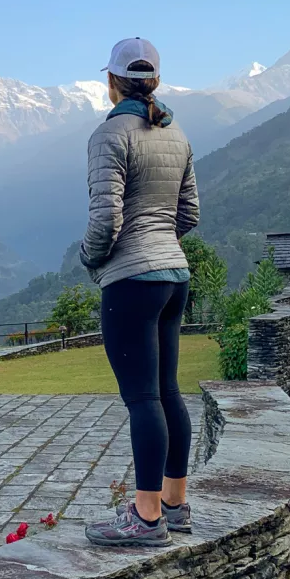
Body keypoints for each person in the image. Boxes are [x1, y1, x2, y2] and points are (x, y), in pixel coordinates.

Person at [81, 37, 199, 547]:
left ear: (111, 83)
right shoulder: (178, 137)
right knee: (169, 391)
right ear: (155, 82)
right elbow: (189, 216)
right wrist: (161, 244)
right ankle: (175, 503)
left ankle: (146, 517)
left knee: (143, 398)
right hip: (175, 276)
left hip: (132, 280)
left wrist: (90, 258)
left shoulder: (110, 136)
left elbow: (106, 219)